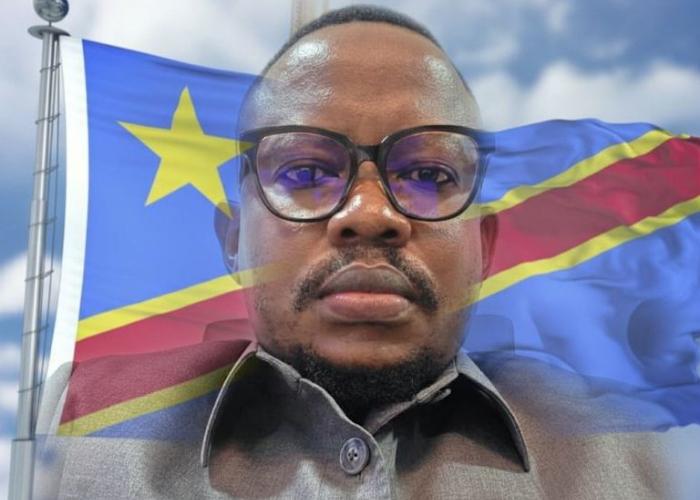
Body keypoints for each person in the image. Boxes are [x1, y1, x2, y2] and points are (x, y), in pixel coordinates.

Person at [37, 5, 693, 499]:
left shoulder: (635, 449)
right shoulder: (81, 424)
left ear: (485, 247)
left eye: (430, 174)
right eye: (304, 172)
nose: (370, 215)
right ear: (233, 240)